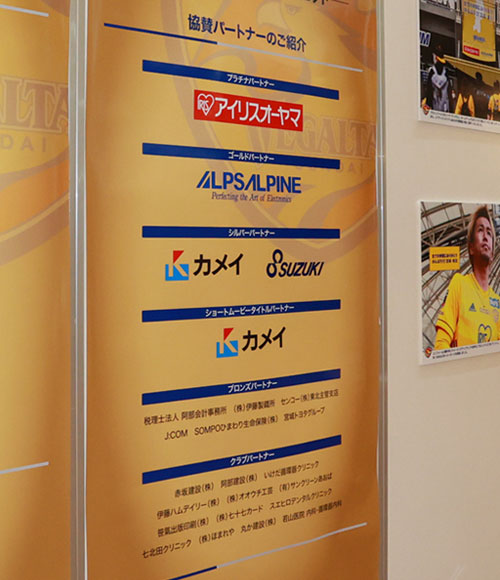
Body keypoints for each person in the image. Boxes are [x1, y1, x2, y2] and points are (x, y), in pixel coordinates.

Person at [435, 206, 500, 349]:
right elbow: (441, 342)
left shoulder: (497, 302)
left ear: (493, 253)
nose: (485, 236)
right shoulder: (459, 283)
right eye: (480, 230)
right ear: (471, 247)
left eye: (489, 233)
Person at [423, 45, 451, 112]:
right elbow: (429, 90)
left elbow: (429, 90)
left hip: (440, 105)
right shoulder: (444, 72)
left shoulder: (434, 72)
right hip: (439, 105)